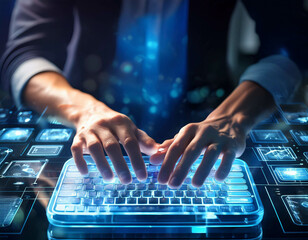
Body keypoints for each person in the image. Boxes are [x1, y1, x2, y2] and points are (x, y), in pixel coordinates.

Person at [0, 0, 306, 188]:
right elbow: (26, 54)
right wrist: (84, 111)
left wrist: (234, 117)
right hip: (87, 135)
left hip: (210, 132)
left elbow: (293, 41)